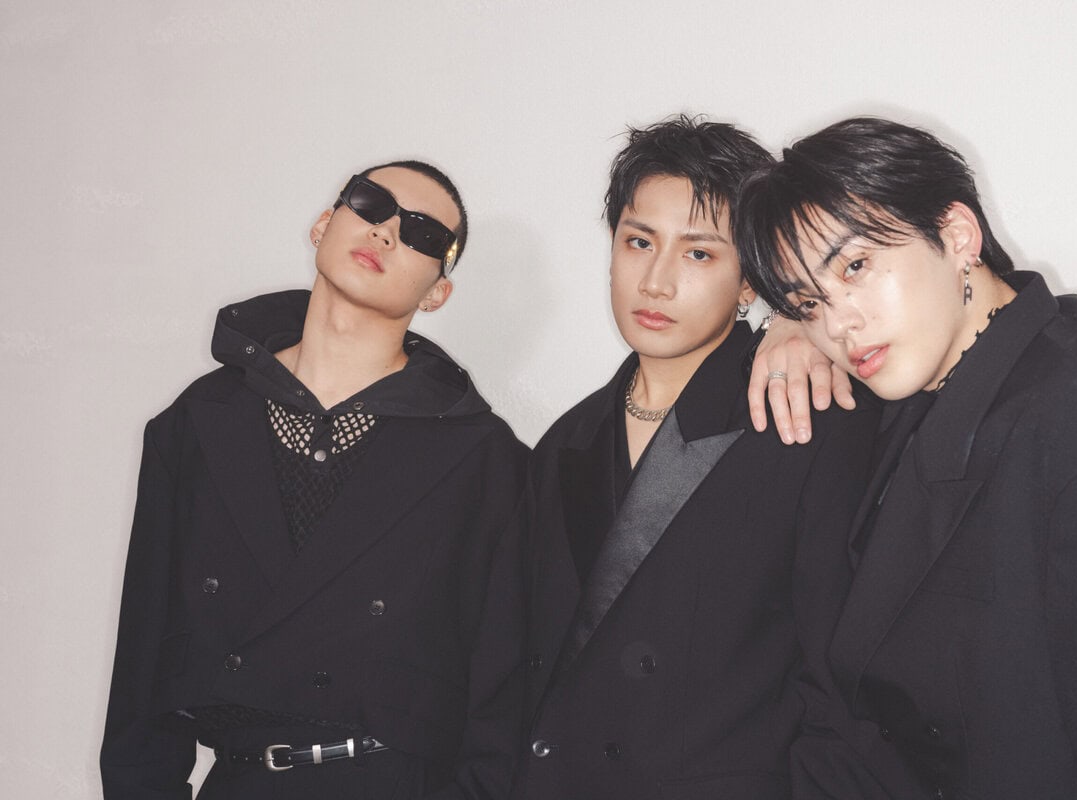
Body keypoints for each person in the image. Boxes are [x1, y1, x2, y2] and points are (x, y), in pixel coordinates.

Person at [735, 116, 1077, 799]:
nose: (838, 325)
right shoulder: (926, 385)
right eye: (809, 303)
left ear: (957, 236)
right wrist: (784, 324)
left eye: (856, 266)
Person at [101, 161, 528, 799]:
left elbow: (506, 694)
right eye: (371, 203)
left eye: (423, 234)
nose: (387, 231)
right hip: (241, 781)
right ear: (324, 224)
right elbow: (142, 667)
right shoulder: (199, 422)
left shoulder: (484, 459)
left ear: (437, 292)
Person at [513, 116, 898, 800]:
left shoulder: (808, 418)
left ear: (749, 283)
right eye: (639, 242)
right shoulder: (565, 443)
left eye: (698, 254)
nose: (656, 283)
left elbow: (850, 685)